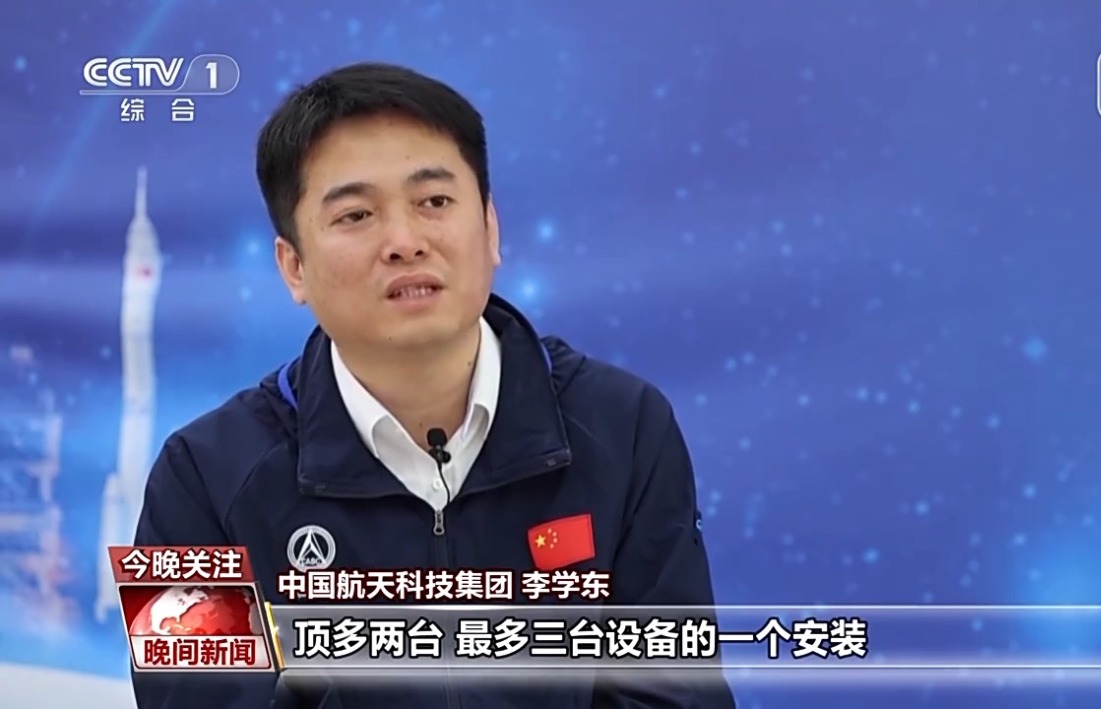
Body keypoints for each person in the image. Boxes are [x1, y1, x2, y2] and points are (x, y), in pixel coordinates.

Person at [130, 62, 735, 708]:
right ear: (294, 267)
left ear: (490, 228)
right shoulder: (196, 478)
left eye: (435, 202)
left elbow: (678, 695)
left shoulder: (626, 427)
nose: (404, 241)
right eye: (356, 214)